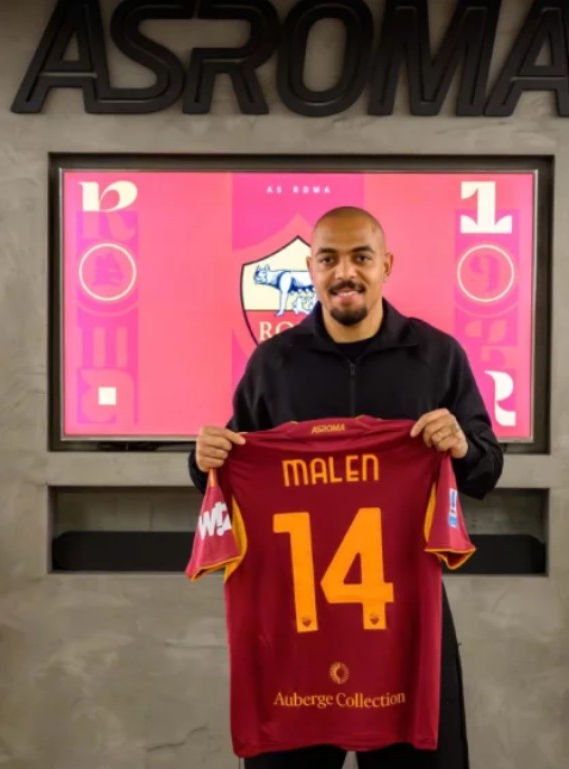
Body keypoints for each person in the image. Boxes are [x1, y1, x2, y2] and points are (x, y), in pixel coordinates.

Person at [188, 206, 504, 769]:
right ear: (311, 269)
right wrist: (201, 461)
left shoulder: (436, 356)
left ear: (386, 265)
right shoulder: (274, 363)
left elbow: (487, 470)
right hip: (298, 623)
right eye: (329, 259)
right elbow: (232, 468)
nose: (345, 272)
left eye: (361, 257)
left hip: (405, 615)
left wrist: (462, 446)